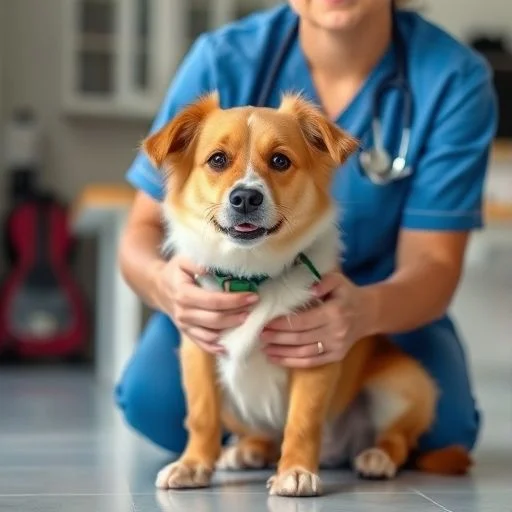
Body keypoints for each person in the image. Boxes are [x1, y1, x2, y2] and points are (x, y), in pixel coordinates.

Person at [115, 0, 497, 458]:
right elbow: (140, 228)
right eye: (220, 160)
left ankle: (291, 436)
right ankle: (259, 435)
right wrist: (164, 286)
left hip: (382, 305)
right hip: (221, 290)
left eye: (278, 162)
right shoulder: (223, 57)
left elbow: (435, 263)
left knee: (444, 429)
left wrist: (364, 313)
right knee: (152, 402)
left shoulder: (451, 78)